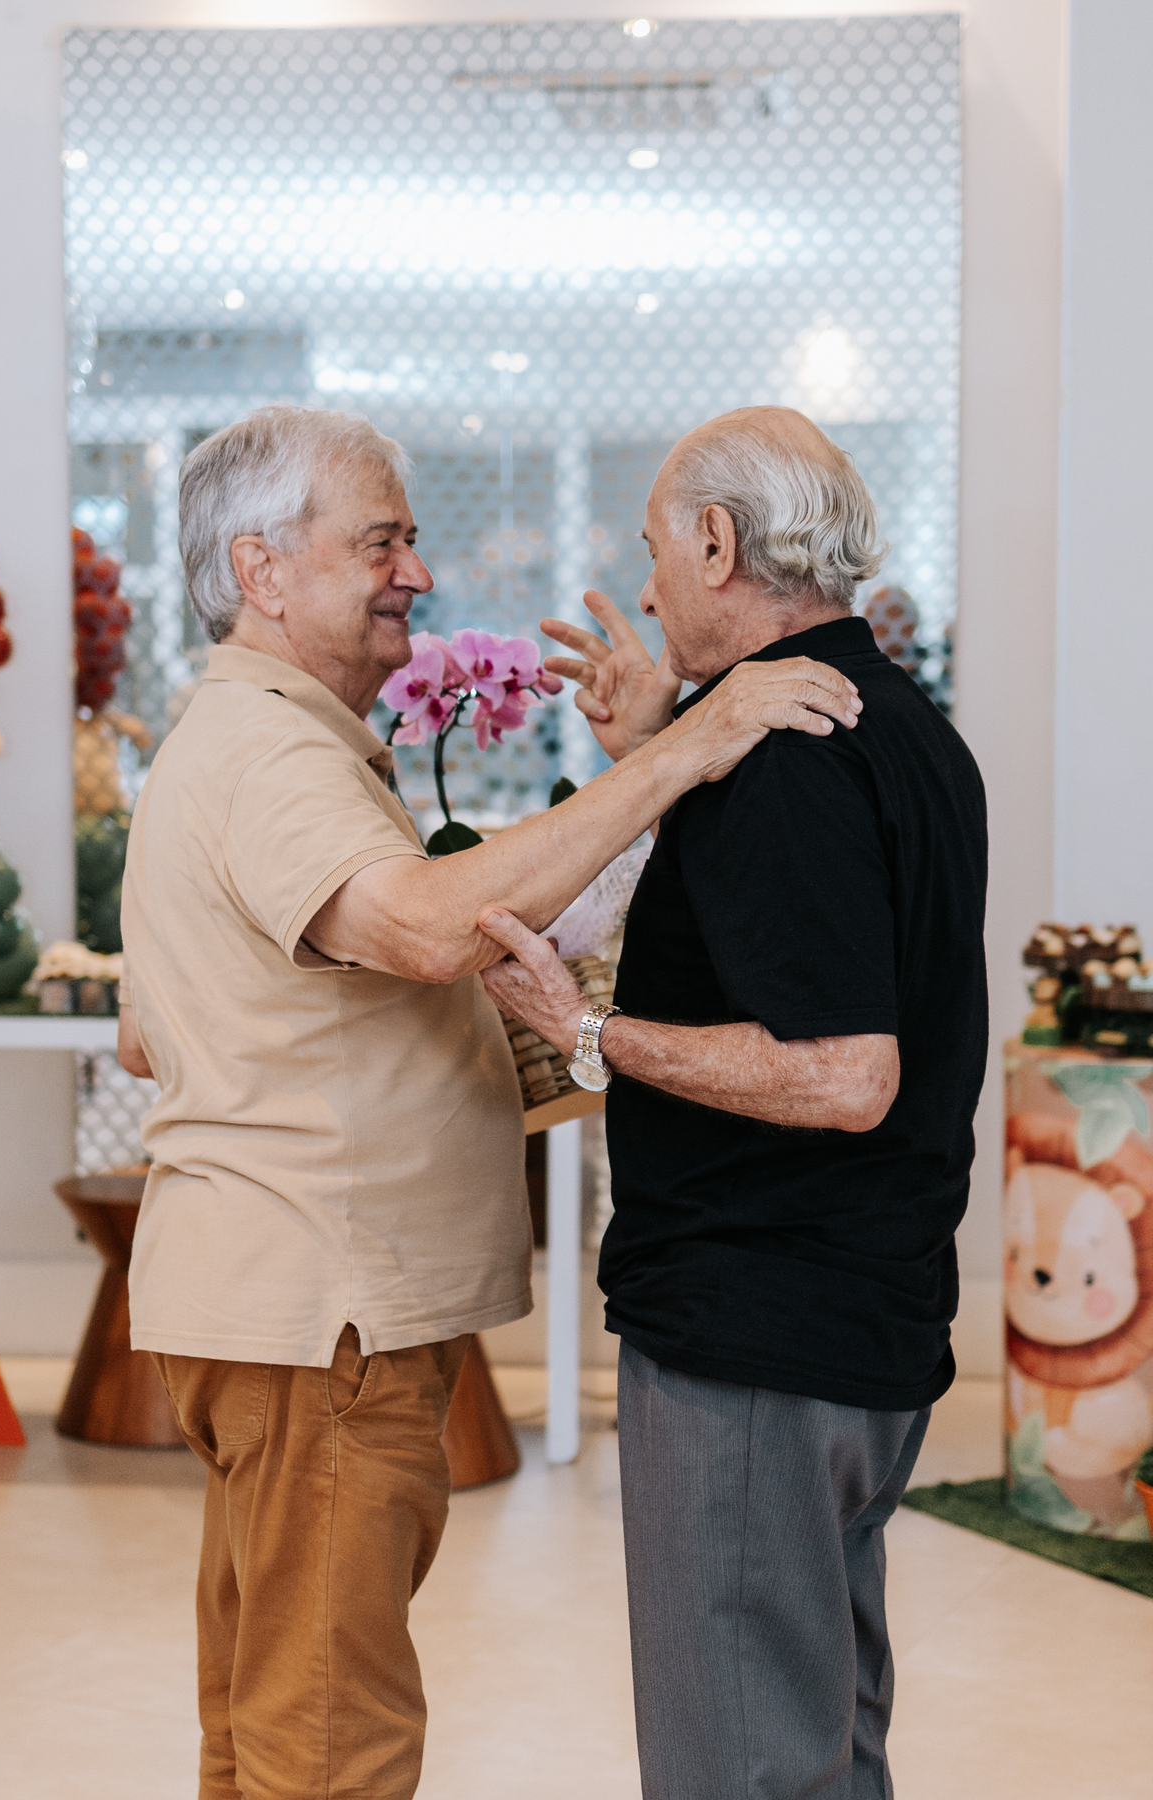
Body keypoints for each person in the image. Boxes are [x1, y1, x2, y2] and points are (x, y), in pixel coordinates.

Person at [115, 403, 863, 1800]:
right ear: (265, 571)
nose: (418, 570)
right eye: (382, 541)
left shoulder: (262, 738)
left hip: (281, 1307)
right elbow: (419, 930)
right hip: (319, 1318)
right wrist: (682, 753)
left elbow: (166, 1020)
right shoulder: (272, 753)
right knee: (327, 1746)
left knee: (269, 1719)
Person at [479, 406, 988, 1800]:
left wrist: (591, 1031)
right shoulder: (902, 728)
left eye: (655, 549)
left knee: (742, 1768)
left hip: (760, 1344)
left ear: (716, 541)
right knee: (824, 1743)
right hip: (862, 1327)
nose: (645, 589)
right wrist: (656, 742)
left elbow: (845, 1071)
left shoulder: (781, 754)